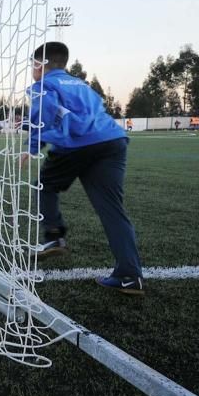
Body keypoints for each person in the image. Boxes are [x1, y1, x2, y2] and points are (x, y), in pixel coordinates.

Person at [21, 41, 143, 295]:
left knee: (43, 186)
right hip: (112, 142)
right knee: (112, 210)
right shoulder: (83, 85)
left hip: (77, 143)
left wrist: (32, 146)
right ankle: (130, 276)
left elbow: (44, 112)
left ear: (42, 65)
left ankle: (54, 235)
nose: (32, 69)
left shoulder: (43, 85)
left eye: (33, 64)